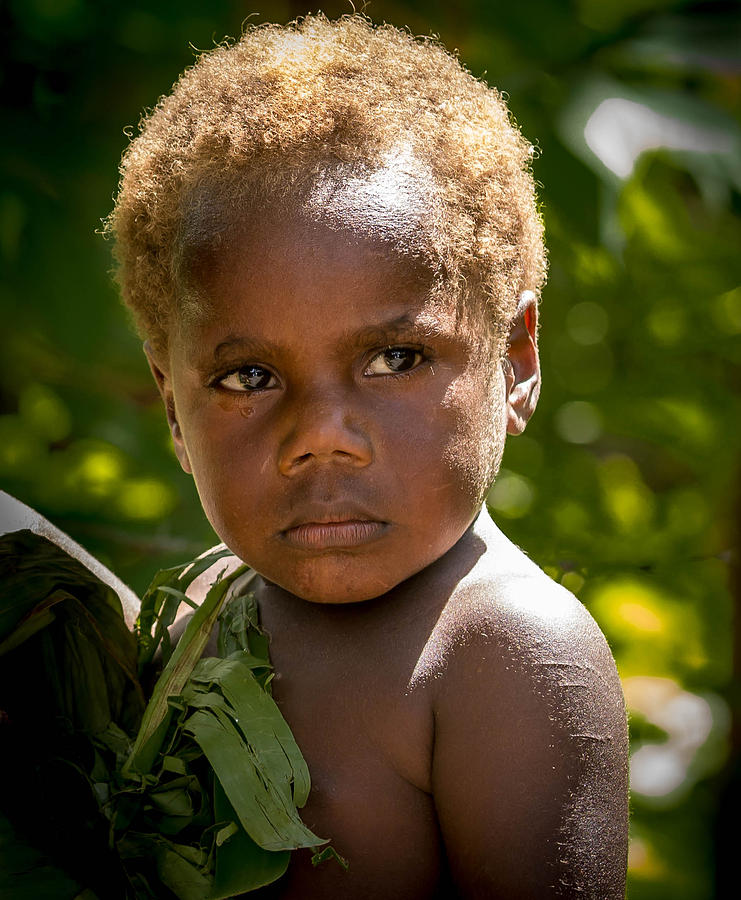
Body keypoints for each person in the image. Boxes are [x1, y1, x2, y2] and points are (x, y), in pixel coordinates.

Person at [107, 13, 628, 898]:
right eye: (247, 377)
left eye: (395, 359)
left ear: (516, 359)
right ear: (172, 405)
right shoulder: (198, 608)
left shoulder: (501, 653)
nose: (322, 433)